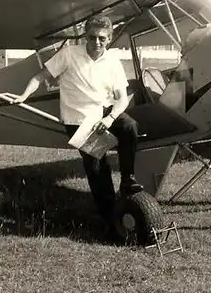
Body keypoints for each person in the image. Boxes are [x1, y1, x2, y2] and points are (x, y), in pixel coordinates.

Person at [9, 15, 144, 231]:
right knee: (97, 164)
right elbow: (40, 76)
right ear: (85, 37)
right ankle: (110, 217)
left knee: (129, 126)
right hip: (79, 118)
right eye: (92, 38)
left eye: (101, 38)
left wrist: (109, 119)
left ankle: (128, 180)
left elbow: (121, 98)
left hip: (103, 112)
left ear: (109, 38)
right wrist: (24, 95)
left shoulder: (112, 61)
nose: (96, 43)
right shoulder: (69, 54)